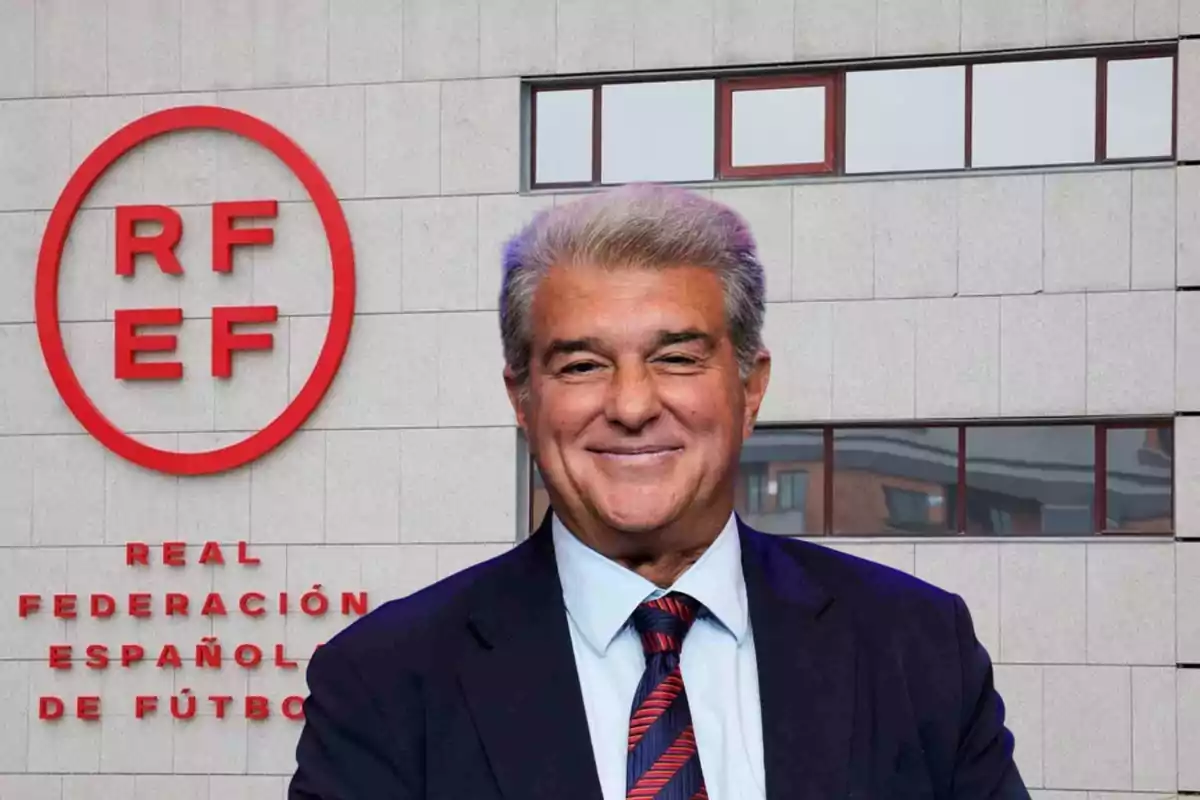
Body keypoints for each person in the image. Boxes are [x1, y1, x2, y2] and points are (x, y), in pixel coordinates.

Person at [288, 184, 1029, 799]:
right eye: (581, 366)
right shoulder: (382, 682)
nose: (633, 405)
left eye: (677, 358)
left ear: (751, 386)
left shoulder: (918, 649)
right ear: (522, 399)